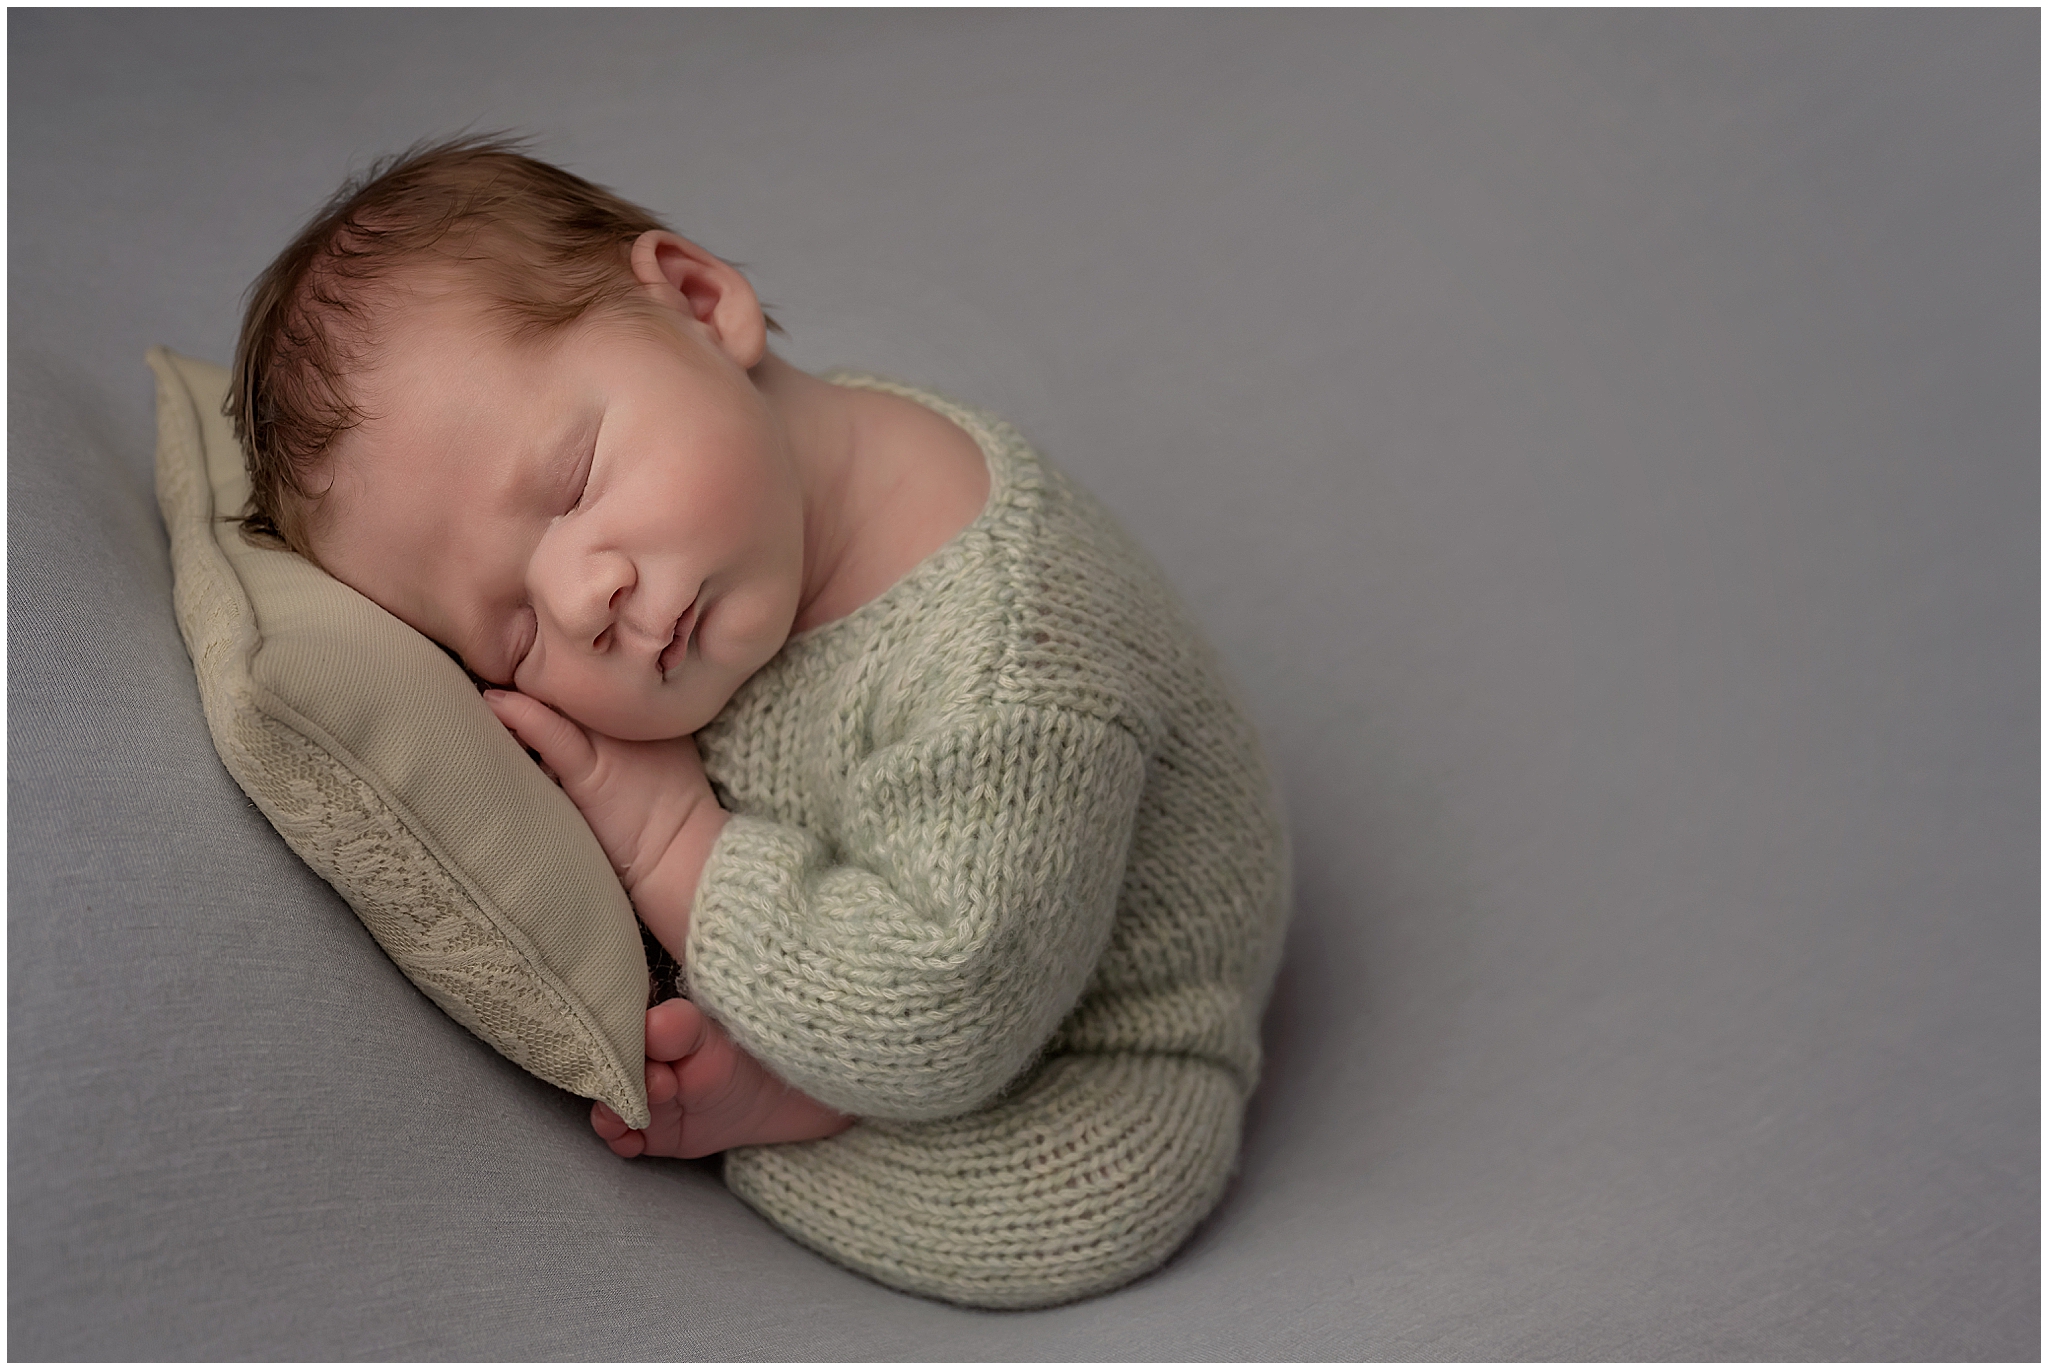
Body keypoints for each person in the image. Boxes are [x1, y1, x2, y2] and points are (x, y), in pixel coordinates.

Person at [230, 134, 1290, 1308]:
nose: (582, 597)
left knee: (1101, 1192)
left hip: (1084, 1031)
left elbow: (945, 1015)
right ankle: (801, 1028)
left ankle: (810, 1095)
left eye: (574, 481)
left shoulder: (1008, 669)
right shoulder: (760, 496)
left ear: (697, 302)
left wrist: (668, 842)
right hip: (918, 922)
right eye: (510, 633)